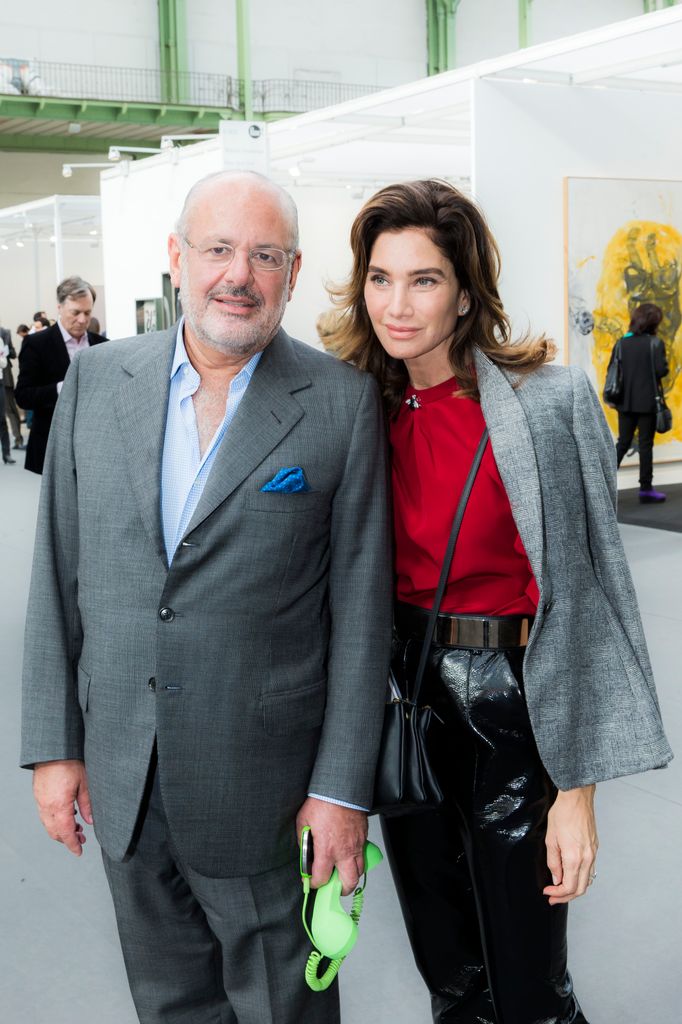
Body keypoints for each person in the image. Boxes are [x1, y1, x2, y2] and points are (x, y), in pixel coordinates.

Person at [21, 170, 392, 1024]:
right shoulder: (96, 384)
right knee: (170, 1006)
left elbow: (362, 614)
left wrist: (340, 791)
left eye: (265, 255)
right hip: (124, 776)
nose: (240, 275)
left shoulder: (339, 404)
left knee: (281, 1010)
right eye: (219, 249)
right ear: (176, 259)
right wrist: (54, 747)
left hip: (266, 793)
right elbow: (57, 575)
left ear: (293, 274)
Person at [330, 179, 673, 1024]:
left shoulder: (545, 402)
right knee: (450, 971)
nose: (397, 304)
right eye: (380, 278)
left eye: (424, 279)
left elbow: (590, 592)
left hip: (512, 700)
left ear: (466, 289)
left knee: (529, 984)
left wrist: (578, 787)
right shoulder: (355, 408)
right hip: (403, 695)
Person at [15, 277, 106, 474]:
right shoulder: (36, 344)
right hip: (52, 446)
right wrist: (60, 389)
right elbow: (23, 396)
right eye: (75, 313)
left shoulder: (103, 345)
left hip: (94, 447)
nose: (82, 320)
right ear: (60, 307)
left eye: (87, 313)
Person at [611, 302, 669, 503]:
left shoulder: (622, 343)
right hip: (647, 403)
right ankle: (645, 489)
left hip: (624, 402)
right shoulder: (655, 343)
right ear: (653, 323)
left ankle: (603, 484)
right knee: (646, 445)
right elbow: (661, 371)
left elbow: (613, 370)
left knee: (622, 443)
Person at [1, 321, 25, 450]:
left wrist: (5, 352)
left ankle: (18, 438)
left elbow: (13, 354)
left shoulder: (5, 333)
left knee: (10, 409)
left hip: (4, 377)